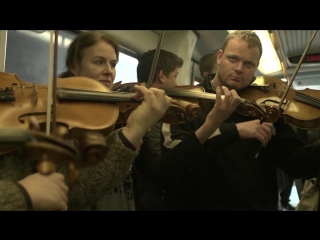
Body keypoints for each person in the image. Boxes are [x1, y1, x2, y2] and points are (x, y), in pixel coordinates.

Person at [146, 30, 320, 210]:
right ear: (220, 57)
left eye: (248, 64)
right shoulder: (186, 103)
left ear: (255, 67)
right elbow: (166, 170)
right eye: (233, 59)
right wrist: (232, 130)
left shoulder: (265, 108)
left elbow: (297, 164)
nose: (239, 68)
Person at [0, 30, 172, 211]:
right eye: (99, 62)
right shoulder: (52, 118)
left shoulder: (116, 111)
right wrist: (133, 132)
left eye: (113, 64)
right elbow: (71, 193)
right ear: (74, 66)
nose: (109, 70)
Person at [131, 49, 241, 210]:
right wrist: (215, 125)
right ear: (162, 76)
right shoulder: (151, 113)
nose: (177, 85)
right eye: (175, 76)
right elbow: (158, 171)